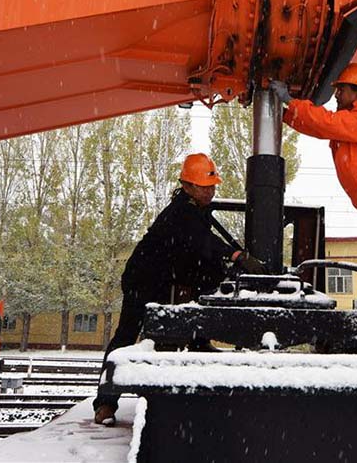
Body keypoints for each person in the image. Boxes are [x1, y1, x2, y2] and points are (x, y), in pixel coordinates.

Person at [93, 153, 266, 425]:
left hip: (166, 277)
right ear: (187, 186)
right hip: (144, 279)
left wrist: (230, 259)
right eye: (203, 186)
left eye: (212, 186)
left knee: (209, 275)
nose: (210, 191)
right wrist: (236, 256)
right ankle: (105, 403)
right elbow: (202, 241)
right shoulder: (181, 212)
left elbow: (202, 247)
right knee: (127, 334)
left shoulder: (195, 208)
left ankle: (198, 340)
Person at [270, 64, 357, 333]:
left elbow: (326, 123)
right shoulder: (351, 121)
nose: (336, 94)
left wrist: (290, 101)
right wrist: (286, 114)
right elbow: (320, 127)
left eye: (342, 89)